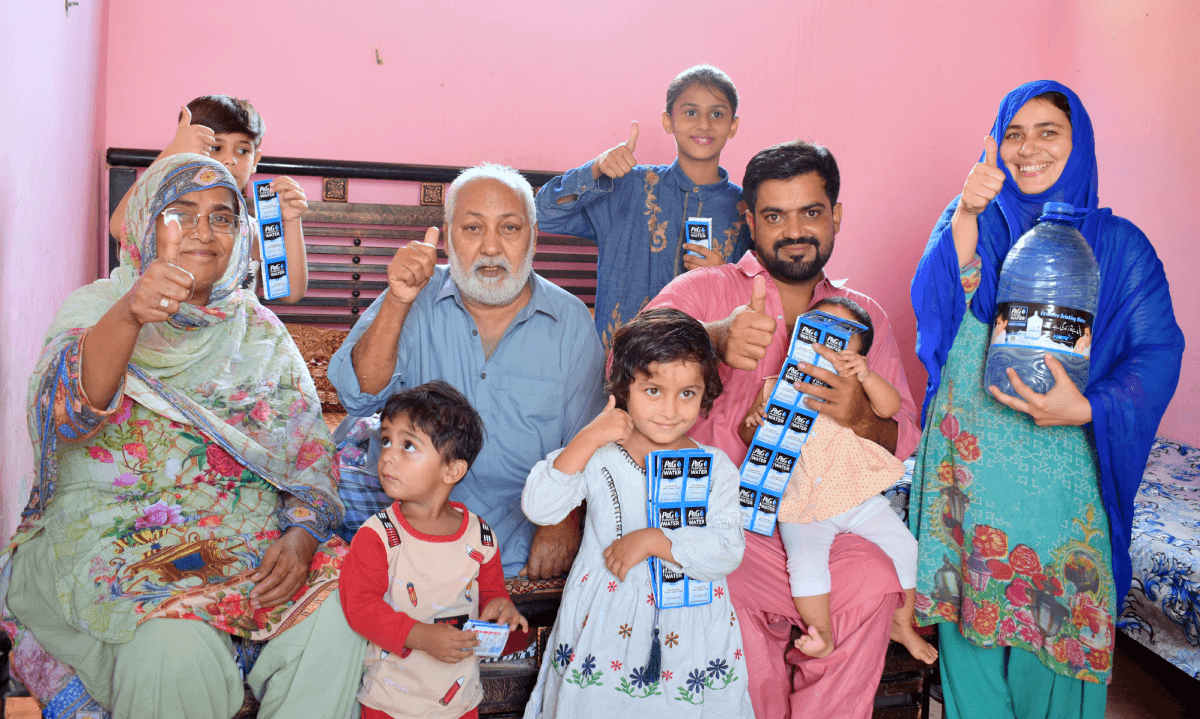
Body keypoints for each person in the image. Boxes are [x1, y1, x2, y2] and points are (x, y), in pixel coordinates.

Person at [1, 154, 364, 718]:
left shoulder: (259, 330)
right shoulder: (98, 304)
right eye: (182, 212)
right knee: (170, 643)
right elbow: (64, 416)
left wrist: (302, 534)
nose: (203, 230)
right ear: (147, 222)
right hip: (121, 532)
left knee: (340, 608)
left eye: (222, 217)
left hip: (248, 538)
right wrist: (131, 315)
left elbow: (310, 454)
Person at [909, 80, 1184, 719]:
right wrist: (967, 217)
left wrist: (1089, 408)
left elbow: (1157, 351)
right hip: (967, 476)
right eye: (1014, 134)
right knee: (969, 631)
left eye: (1047, 133)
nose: (1027, 149)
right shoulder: (976, 218)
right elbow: (937, 306)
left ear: (1079, 142)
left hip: (1063, 482)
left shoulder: (1120, 247)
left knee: (1056, 636)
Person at [646, 140, 921, 718]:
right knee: (725, 581)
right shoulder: (704, 291)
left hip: (821, 521)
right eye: (774, 216)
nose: (794, 231)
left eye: (811, 212)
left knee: (873, 575)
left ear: (836, 214)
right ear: (749, 220)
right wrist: (713, 339)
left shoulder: (861, 316)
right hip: (722, 520)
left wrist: (859, 414)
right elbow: (626, 368)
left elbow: (906, 441)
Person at [328, 163, 607, 579]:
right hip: (409, 535)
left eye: (509, 228)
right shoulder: (412, 298)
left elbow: (591, 440)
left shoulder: (571, 322)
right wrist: (398, 299)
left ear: (533, 235)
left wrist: (562, 519)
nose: (491, 248)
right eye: (473, 229)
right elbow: (357, 395)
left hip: (518, 541)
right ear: (447, 234)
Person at [520, 308, 753, 718]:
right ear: (624, 388)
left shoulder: (716, 468)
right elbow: (540, 506)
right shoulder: (600, 456)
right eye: (653, 391)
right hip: (603, 626)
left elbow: (728, 549)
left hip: (690, 630)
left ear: (705, 392)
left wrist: (652, 540)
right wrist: (589, 436)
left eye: (687, 393)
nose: (670, 409)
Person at [740, 297, 936, 665]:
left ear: (860, 352)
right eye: (819, 329)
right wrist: (755, 422)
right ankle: (821, 634)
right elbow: (750, 435)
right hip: (803, 504)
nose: (826, 344)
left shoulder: (861, 388)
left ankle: (902, 624)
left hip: (855, 497)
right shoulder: (775, 387)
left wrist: (865, 376)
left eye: (842, 337)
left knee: (906, 548)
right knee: (805, 563)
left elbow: (889, 407)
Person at [340, 381, 529, 719]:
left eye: (408, 445)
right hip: (390, 704)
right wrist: (420, 636)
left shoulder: (480, 536)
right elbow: (359, 606)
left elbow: (492, 594)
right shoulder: (378, 536)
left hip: (459, 703)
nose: (388, 455)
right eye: (386, 440)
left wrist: (503, 609)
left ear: (452, 470)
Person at [535, 65, 751, 348]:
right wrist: (597, 169)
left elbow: (761, 299)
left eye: (717, 114)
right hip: (620, 367)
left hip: (701, 375)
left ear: (732, 125)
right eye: (690, 112)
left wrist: (725, 278)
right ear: (668, 121)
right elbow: (544, 214)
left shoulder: (744, 209)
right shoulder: (627, 186)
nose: (704, 124)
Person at [109, 95, 311, 303]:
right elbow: (119, 227)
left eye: (242, 151)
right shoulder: (165, 216)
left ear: (255, 160)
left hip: (230, 332)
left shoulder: (253, 231)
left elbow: (290, 294)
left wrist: (294, 220)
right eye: (216, 148)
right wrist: (172, 153)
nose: (229, 160)